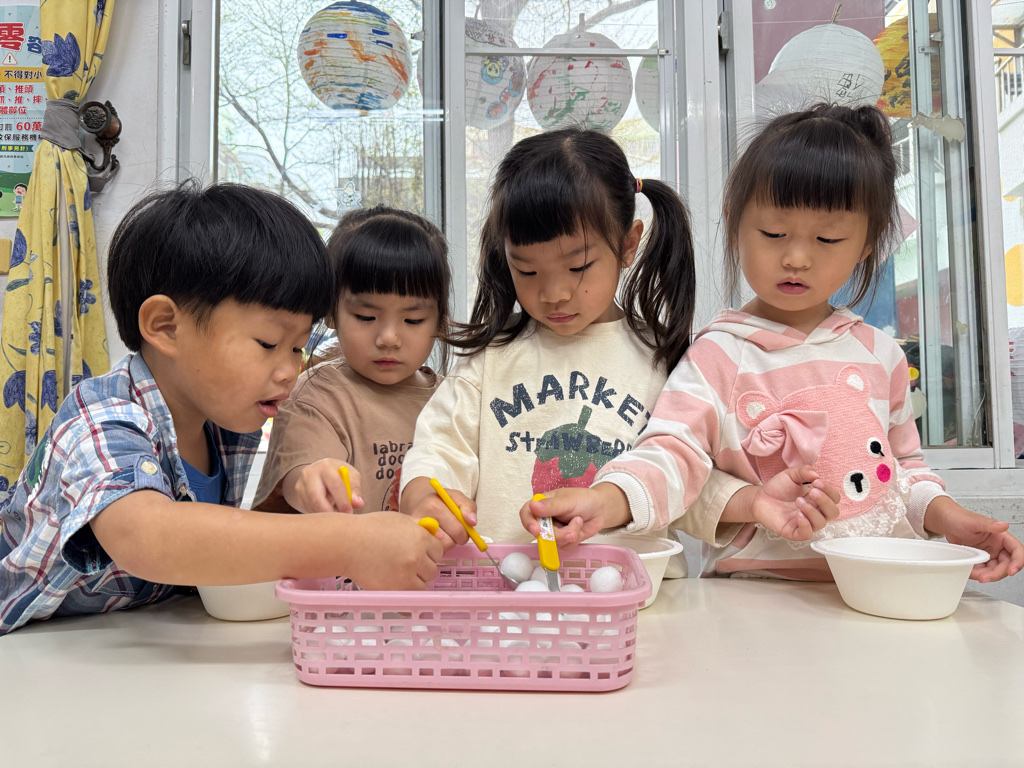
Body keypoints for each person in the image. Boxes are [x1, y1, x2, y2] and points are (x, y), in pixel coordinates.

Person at [526, 104, 1023, 583]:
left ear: (867, 243)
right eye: (773, 232)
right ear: (734, 224)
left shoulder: (881, 355)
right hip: (756, 590)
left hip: (879, 583)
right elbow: (672, 454)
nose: (797, 258)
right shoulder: (718, 356)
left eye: (827, 239)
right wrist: (608, 499)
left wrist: (948, 517)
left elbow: (902, 471)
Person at [0, 183, 443, 635]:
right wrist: (350, 543)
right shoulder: (103, 418)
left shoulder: (226, 425)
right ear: (166, 326)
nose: (290, 371)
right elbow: (148, 537)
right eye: (268, 343)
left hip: (125, 640)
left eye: (297, 347)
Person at [399, 126, 835, 551]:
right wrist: (424, 495)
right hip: (509, 587)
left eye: (578, 267)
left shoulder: (667, 358)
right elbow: (440, 446)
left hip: (641, 589)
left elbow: (683, 478)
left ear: (628, 245)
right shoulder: (490, 359)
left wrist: (753, 501)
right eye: (526, 270)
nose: (554, 293)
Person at [253, 206, 450, 515]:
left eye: (413, 320)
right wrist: (315, 479)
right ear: (331, 312)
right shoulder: (318, 396)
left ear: (440, 321)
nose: (388, 338)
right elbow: (300, 478)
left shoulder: (452, 399)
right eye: (366, 316)